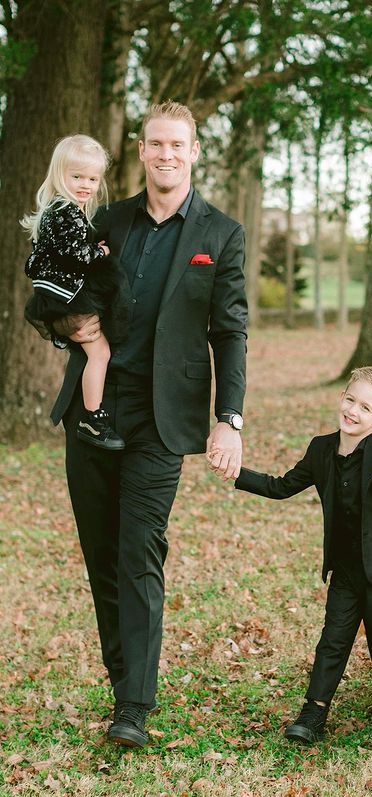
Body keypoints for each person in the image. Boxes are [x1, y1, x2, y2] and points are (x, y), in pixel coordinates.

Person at [43, 101, 248, 748]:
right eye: (155, 143)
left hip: (163, 422)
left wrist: (229, 419)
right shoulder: (106, 220)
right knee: (101, 554)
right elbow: (57, 293)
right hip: (92, 412)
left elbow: (230, 331)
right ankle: (120, 678)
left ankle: (133, 703)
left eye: (177, 144)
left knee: (139, 552)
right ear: (141, 149)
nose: (166, 154)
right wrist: (66, 325)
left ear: (193, 151)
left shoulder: (221, 234)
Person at [220, 367, 372, 743]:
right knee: (332, 639)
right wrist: (236, 472)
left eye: (365, 407)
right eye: (350, 400)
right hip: (344, 567)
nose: (353, 411)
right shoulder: (320, 448)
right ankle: (313, 713)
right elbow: (281, 487)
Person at [22, 135, 125, 450]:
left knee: (98, 349)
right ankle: (93, 417)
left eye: (93, 178)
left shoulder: (59, 210)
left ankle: (93, 414)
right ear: (59, 176)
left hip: (55, 290)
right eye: (77, 176)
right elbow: (77, 255)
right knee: (101, 352)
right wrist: (101, 253)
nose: (86, 184)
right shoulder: (66, 211)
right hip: (65, 292)